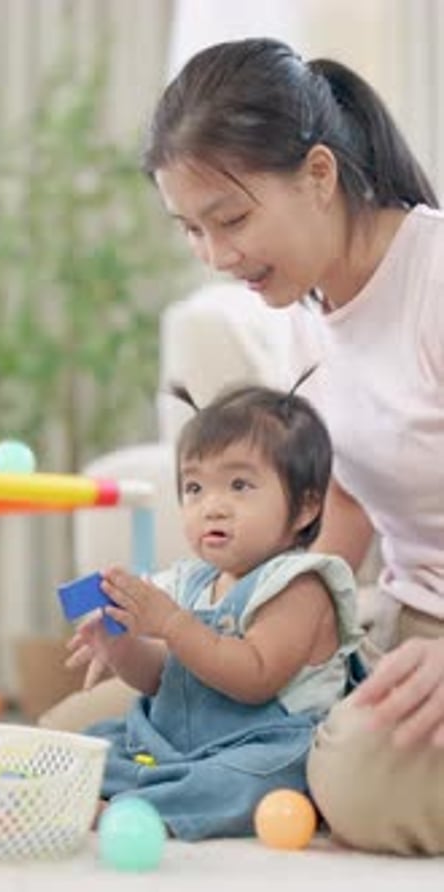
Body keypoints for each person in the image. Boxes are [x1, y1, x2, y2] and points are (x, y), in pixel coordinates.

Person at [139, 37, 444, 853]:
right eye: (191, 230)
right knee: (135, 712)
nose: (216, 255)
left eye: (231, 219)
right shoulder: (308, 309)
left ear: (319, 173)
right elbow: (342, 494)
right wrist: (260, 616)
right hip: (405, 618)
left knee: (354, 780)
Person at [66, 381, 361, 841]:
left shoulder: (300, 585)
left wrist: (169, 622)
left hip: (263, 746)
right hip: (181, 745)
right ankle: (83, 786)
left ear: (306, 506)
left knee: (243, 782)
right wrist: (123, 643)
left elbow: (255, 676)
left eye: (240, 485)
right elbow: (165, 679)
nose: (213, 507)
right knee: (100, 739)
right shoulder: (193, 581)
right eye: (195, 487)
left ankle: (130, 807)